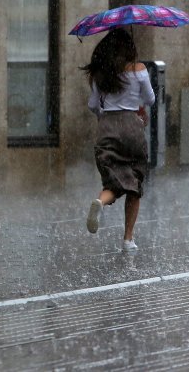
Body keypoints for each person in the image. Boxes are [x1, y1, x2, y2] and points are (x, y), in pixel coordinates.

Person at [80, 28, 155, 251]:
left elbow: (93, 105)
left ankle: (101, 202)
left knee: (114, 179)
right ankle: (128, 239)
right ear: (129, 48)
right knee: (134, 183)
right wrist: (136, 102)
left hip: (107, 128)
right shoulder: (139, 69)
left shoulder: (100, 74)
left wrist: (107, 110)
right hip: (132, 127)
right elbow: (150, 99)